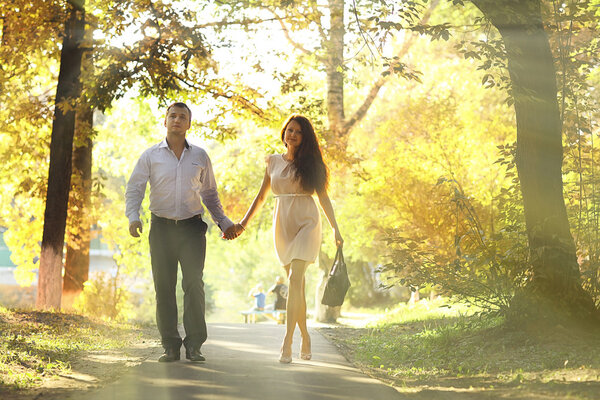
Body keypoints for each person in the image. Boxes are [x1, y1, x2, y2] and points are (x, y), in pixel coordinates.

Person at [125, 102, 240, 363]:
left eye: (182, 117)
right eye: (172, 116)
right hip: (162, 229)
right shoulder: (150, 156)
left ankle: (195, 344)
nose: (177, 120)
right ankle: (170, 345)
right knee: (164, 287)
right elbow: (135, 189)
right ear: (165, 121)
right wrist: (133, 217)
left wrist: (224, 222)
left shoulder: (200, 156)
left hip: (191, 229)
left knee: (193, 284)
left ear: (189, 124)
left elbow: (210, 194)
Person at [233, 114, 344, 363]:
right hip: (282, 223)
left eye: (298, 131)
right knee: (297, 288)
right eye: (289, 130)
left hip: (307, 221)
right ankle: (305, 335)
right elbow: (261, 196)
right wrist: (243, 223)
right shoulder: (272, 161)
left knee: (295, 279)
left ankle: (287, 341)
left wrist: (335, 228)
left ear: (305, 138)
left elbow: (323, 198)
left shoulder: (311, 164)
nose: (292, 134)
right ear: (284, 133)